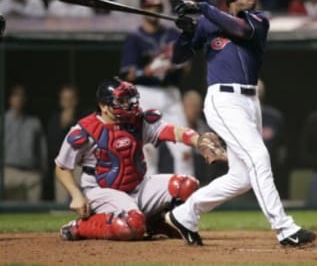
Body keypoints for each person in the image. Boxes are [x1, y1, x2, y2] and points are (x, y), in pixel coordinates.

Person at [167, 0, 316, 246]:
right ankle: (284, 229)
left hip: (250, 101)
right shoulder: (209, 23)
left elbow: (240, 31)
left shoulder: (258, 21)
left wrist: (202, 8)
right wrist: (186, 34)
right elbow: (178, 58)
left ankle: (184, 214)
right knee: (259, 156)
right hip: (223, 100)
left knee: (241, 177)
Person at [57, 77, 224, 240]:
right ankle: (79, 227)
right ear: (103, 106)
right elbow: (62, 167)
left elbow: (173, 131)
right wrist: (76, 194)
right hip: (102, 190)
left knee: (187, 185)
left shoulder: (137, 121)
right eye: (121, 101)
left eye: (129, 99)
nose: (129, 105)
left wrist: (198, 140)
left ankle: (155, 223)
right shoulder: (85, 129)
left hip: (137, 185)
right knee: (132, 225)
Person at [120, 0, 191, 176]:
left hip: (170, 93)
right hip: (145, 93)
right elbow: (128, 74)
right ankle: (150, 200)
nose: (153, 10)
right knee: (148, 152)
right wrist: (149, 70)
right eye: (150, 6)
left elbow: (186, 65)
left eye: (157, 7)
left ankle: (187, 201)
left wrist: (171, 66)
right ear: (143, 8)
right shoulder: (134, 38)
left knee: (184, 149)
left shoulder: (172, 35)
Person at [3, 84, 47, 201]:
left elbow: (42, 150)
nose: (19, 99)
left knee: (36, 180)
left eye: (22, 96)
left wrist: (42, 170)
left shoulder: (34, 122)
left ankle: (37, 218)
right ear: (10, 99)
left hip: (29, 171)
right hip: (7, 170)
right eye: (16, 95)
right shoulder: (3, 121)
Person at [46, 85, 82, 201]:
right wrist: (62, 126)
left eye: (71, 99)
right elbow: (52, 146)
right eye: (65, 99)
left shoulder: (84, 119)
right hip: (62, 166)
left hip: (80, 166)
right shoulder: (54, 120)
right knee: (61, 205)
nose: (68, 103)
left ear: (76, 100)